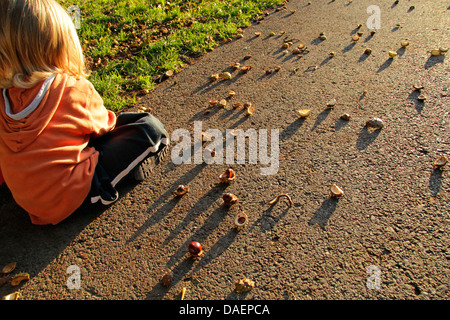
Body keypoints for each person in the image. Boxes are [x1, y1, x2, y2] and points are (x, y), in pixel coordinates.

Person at [0, 0, 169, 225]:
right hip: (77, 197)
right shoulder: (70, 87)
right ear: (58, 44)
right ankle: (125, 174)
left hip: (29, 202)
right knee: (148, 128)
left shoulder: (4, 97)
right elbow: (104, 127)